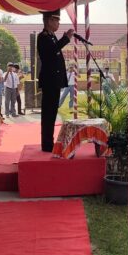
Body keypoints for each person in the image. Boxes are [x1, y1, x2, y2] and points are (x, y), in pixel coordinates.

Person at [37, 9, 74, 152]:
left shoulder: (52, 37)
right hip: (49, 81)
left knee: (52, 112)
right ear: (49, 21)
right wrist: (65, 39)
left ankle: (49, 142)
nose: (58, 23)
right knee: (48, 113)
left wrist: (63, 39)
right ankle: (47, 144)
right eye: (56, 20)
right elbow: (51, 52)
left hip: (54, 81)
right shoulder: (43, 36)